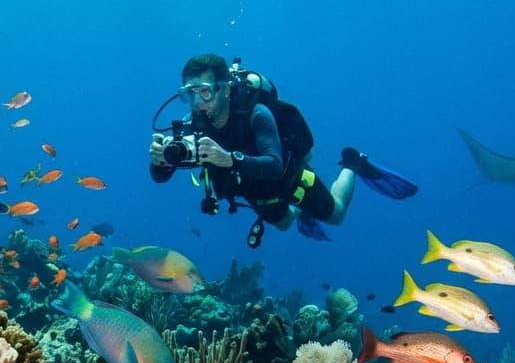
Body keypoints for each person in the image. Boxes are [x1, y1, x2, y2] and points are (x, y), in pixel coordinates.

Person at [149, 53, 416, 246]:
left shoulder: (256, 114)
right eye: (189, 93)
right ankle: (301, 211)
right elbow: (160, 177)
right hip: (251, 188)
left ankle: (352, 163)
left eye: (204, 92)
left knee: (335, 214)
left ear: (226, 89)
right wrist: (159, 161)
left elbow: (274, 166)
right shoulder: (190, 126)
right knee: (285, 223)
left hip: (287, 178)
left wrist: (228, 159)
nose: (197, 103)